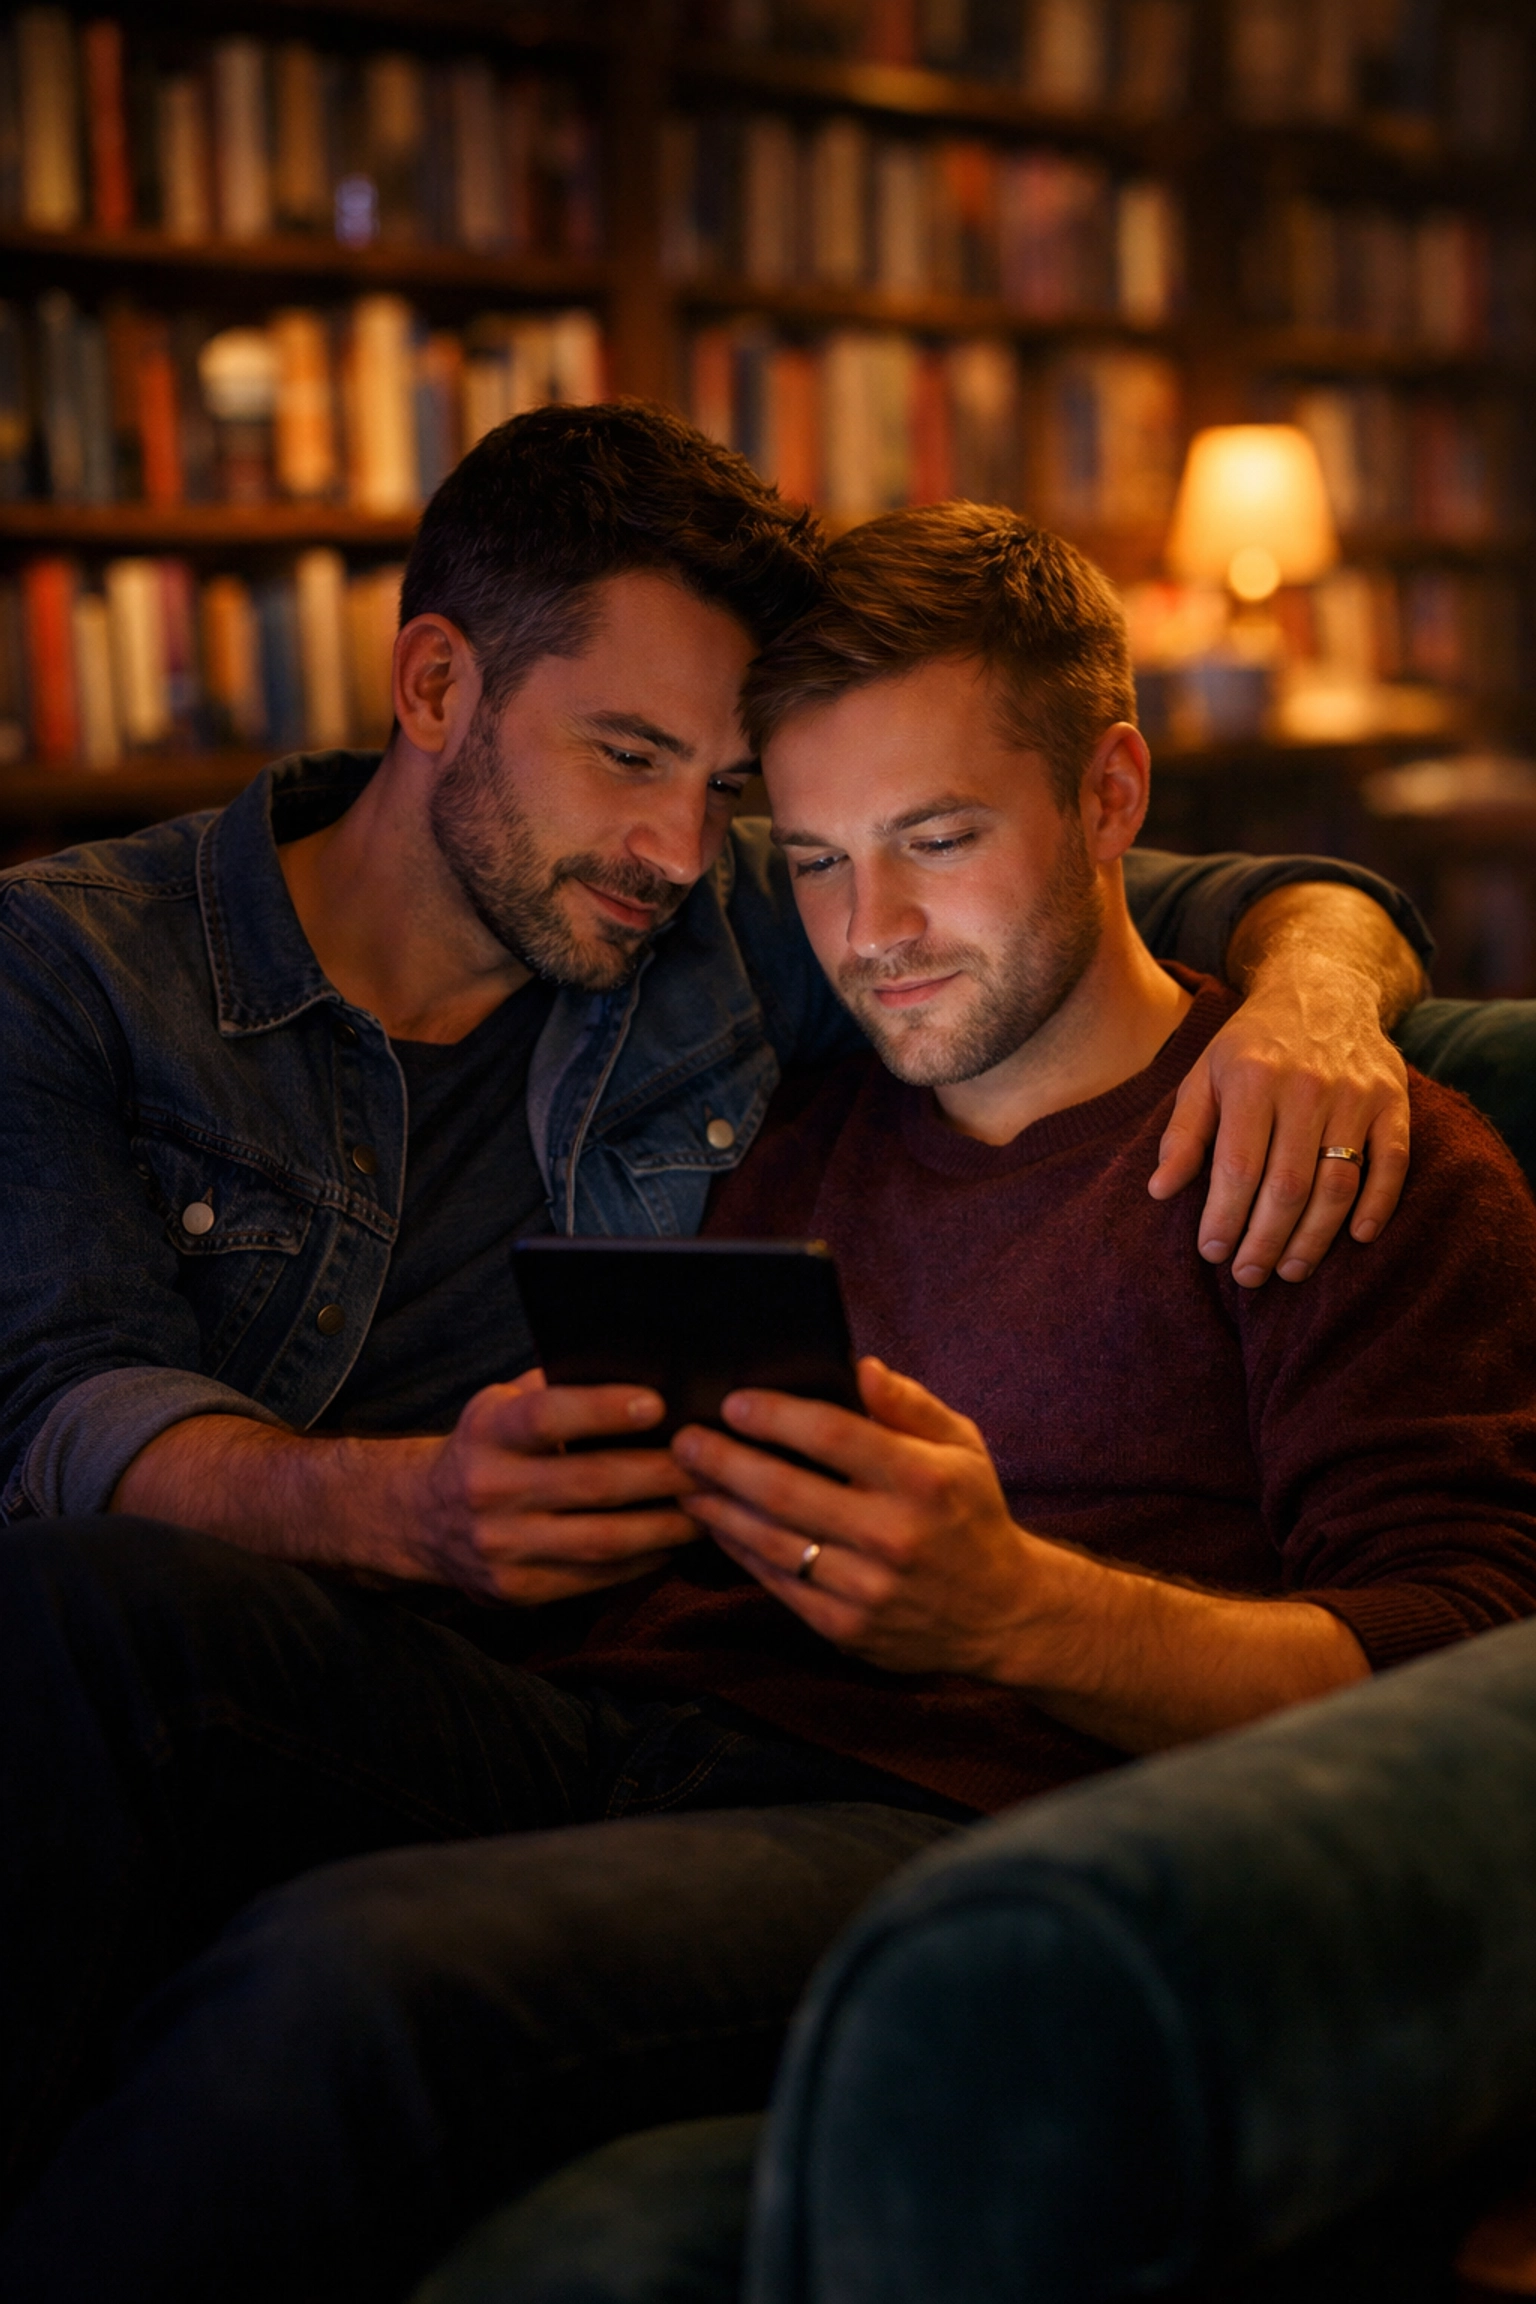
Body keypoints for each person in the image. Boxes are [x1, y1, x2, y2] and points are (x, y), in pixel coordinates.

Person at [0, 426, 1448, 2298]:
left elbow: (1136, 888)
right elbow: (54, 1396)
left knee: (337, 1981)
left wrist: (1324, 988)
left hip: (866, 1771)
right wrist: (407, 1509)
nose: (692, 858)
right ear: (436, 686)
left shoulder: (808, 943)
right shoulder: (79, 965)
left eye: (735, 793)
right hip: (556, 1680)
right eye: (633, 759)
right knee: (61, 1615)